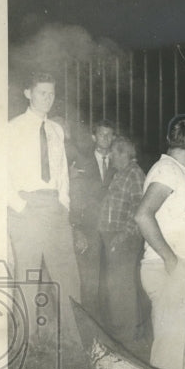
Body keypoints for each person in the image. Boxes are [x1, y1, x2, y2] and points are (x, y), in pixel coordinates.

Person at [6, 70, 81, 347]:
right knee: (27, 274)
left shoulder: (56, 130)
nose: (48, 99)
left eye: (51, 94)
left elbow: (62, 173)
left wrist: (64, 203)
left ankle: (75, 341)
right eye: (42, 93)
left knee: (68, 274)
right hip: (26, 206)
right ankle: (28, 341)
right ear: (28, 93)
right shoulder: (11, 128)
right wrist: (20, 206)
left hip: (54, 206)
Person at [133, 114, 185, 369]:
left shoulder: (176, 172)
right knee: (170, 358)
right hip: (171, 269)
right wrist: (171, 259)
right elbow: (142, 215)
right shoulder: (167, 171)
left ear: (168, 139)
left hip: (183, 270)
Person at [97, 136, 146, 350]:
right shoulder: (119, 174)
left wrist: (121, 236)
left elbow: (138, 210)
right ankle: (120, 333)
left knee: (122, 287)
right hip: (112, 236)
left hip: (124, 238)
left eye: (114, 153)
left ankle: (126, 337)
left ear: (125, 153)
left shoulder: (134, 174)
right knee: (115, 287)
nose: (111, 157)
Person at [71, 119, 117, 320]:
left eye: (109, 134)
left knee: (111, 283)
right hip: (89, 231)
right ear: (93, 137)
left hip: (113, 232)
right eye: (101, 134)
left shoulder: (120, 163)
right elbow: (74, 198)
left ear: (113, 137)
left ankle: (109, 330)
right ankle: (90, 327)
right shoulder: (80, 163)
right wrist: (76, 229)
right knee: (90, 283)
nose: (105, 138)